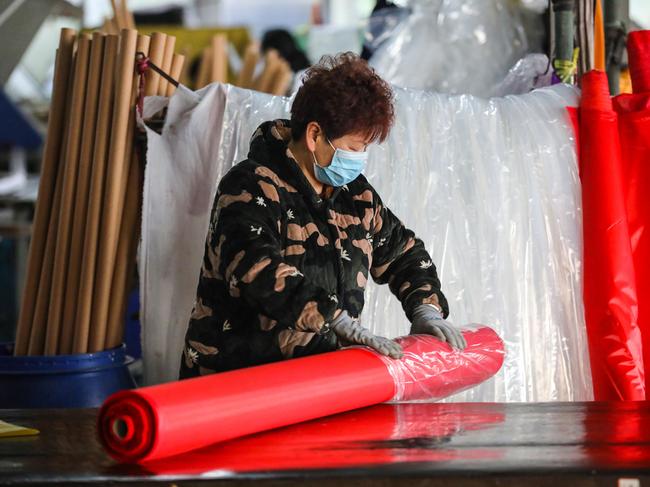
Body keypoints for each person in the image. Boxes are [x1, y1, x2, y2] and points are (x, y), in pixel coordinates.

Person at [180, 53, 465, 378]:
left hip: (321, 384)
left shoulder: (356, 197)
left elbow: (403, 253)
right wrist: (335, 319)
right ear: (315, 135)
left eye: (365, 149)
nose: (359, 159)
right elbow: (256, 268)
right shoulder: (250, 187)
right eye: (353, 148)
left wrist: (425, 308)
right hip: (237, 385)